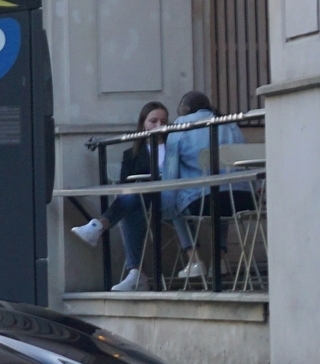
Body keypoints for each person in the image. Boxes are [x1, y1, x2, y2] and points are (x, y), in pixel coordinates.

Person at [71, 101, 169, 291]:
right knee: (132, 206)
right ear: (143, 124)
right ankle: (135, 274)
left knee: (133, 198)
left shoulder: (175, 145)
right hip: (142, 203)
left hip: (169, 199)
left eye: (163, 121)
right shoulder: (132, 154)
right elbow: (125, 185)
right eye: (153, 121)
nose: (159, 126)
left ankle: (98, 227)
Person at [160, 91, 247, 285]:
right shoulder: (229, 124)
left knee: (174, 199)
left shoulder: (181, 127)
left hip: (204, 201)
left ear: (185, 109)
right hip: (243, 198)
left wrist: (166, 209)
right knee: (223, 189)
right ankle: (220, 258)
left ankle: (194, 260)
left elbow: (170, 176)